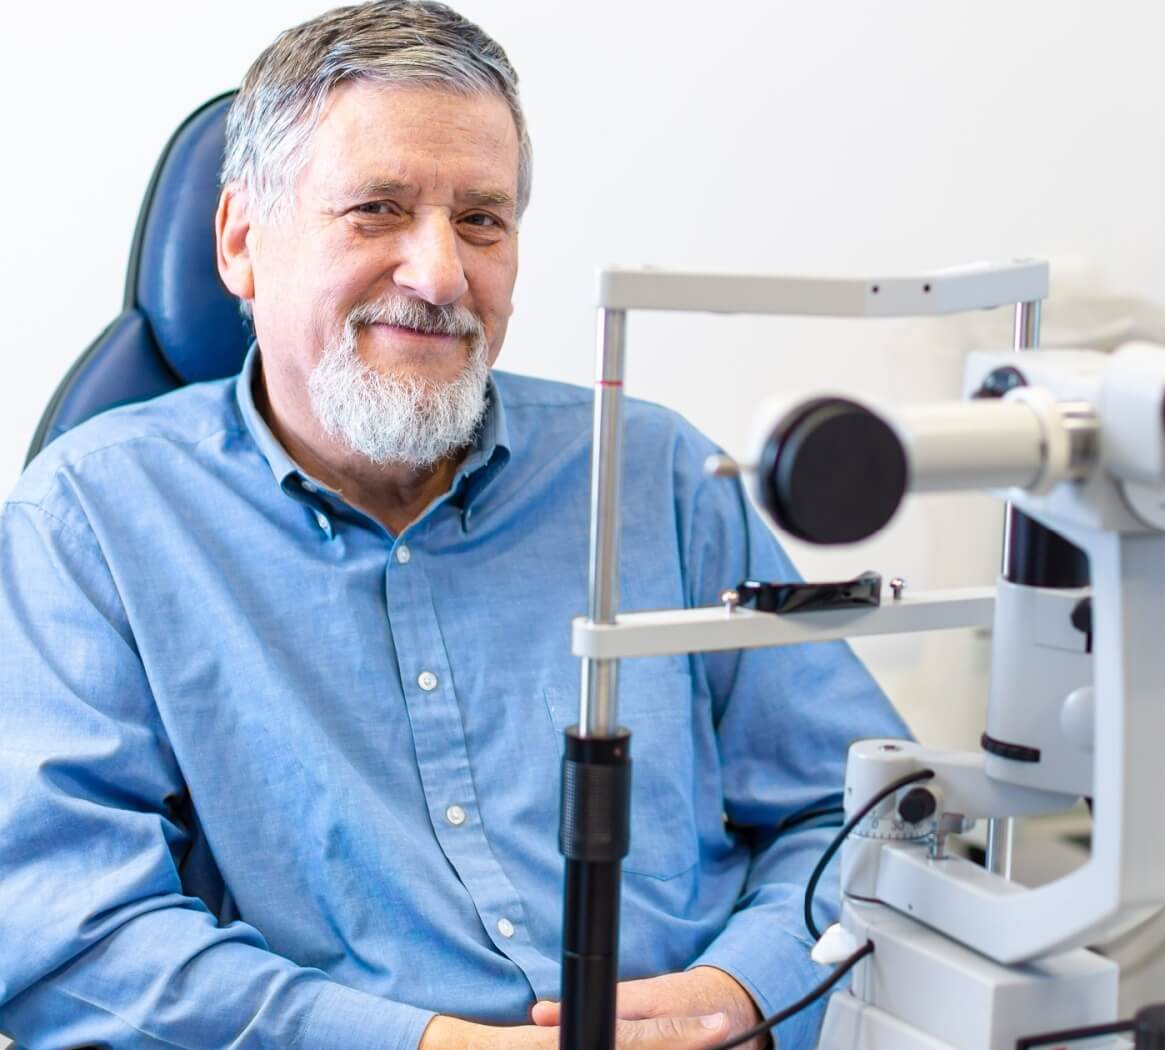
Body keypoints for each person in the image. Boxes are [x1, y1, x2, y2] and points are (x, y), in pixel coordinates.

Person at [0, 3, 907, 1048]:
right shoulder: (90, 522)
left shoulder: (655, 472)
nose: (439, 277)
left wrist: (744, 990)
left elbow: (865, 809)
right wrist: (428, 1047)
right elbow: (63, 929)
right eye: (378, 209)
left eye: (481, 220)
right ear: (243, 242)